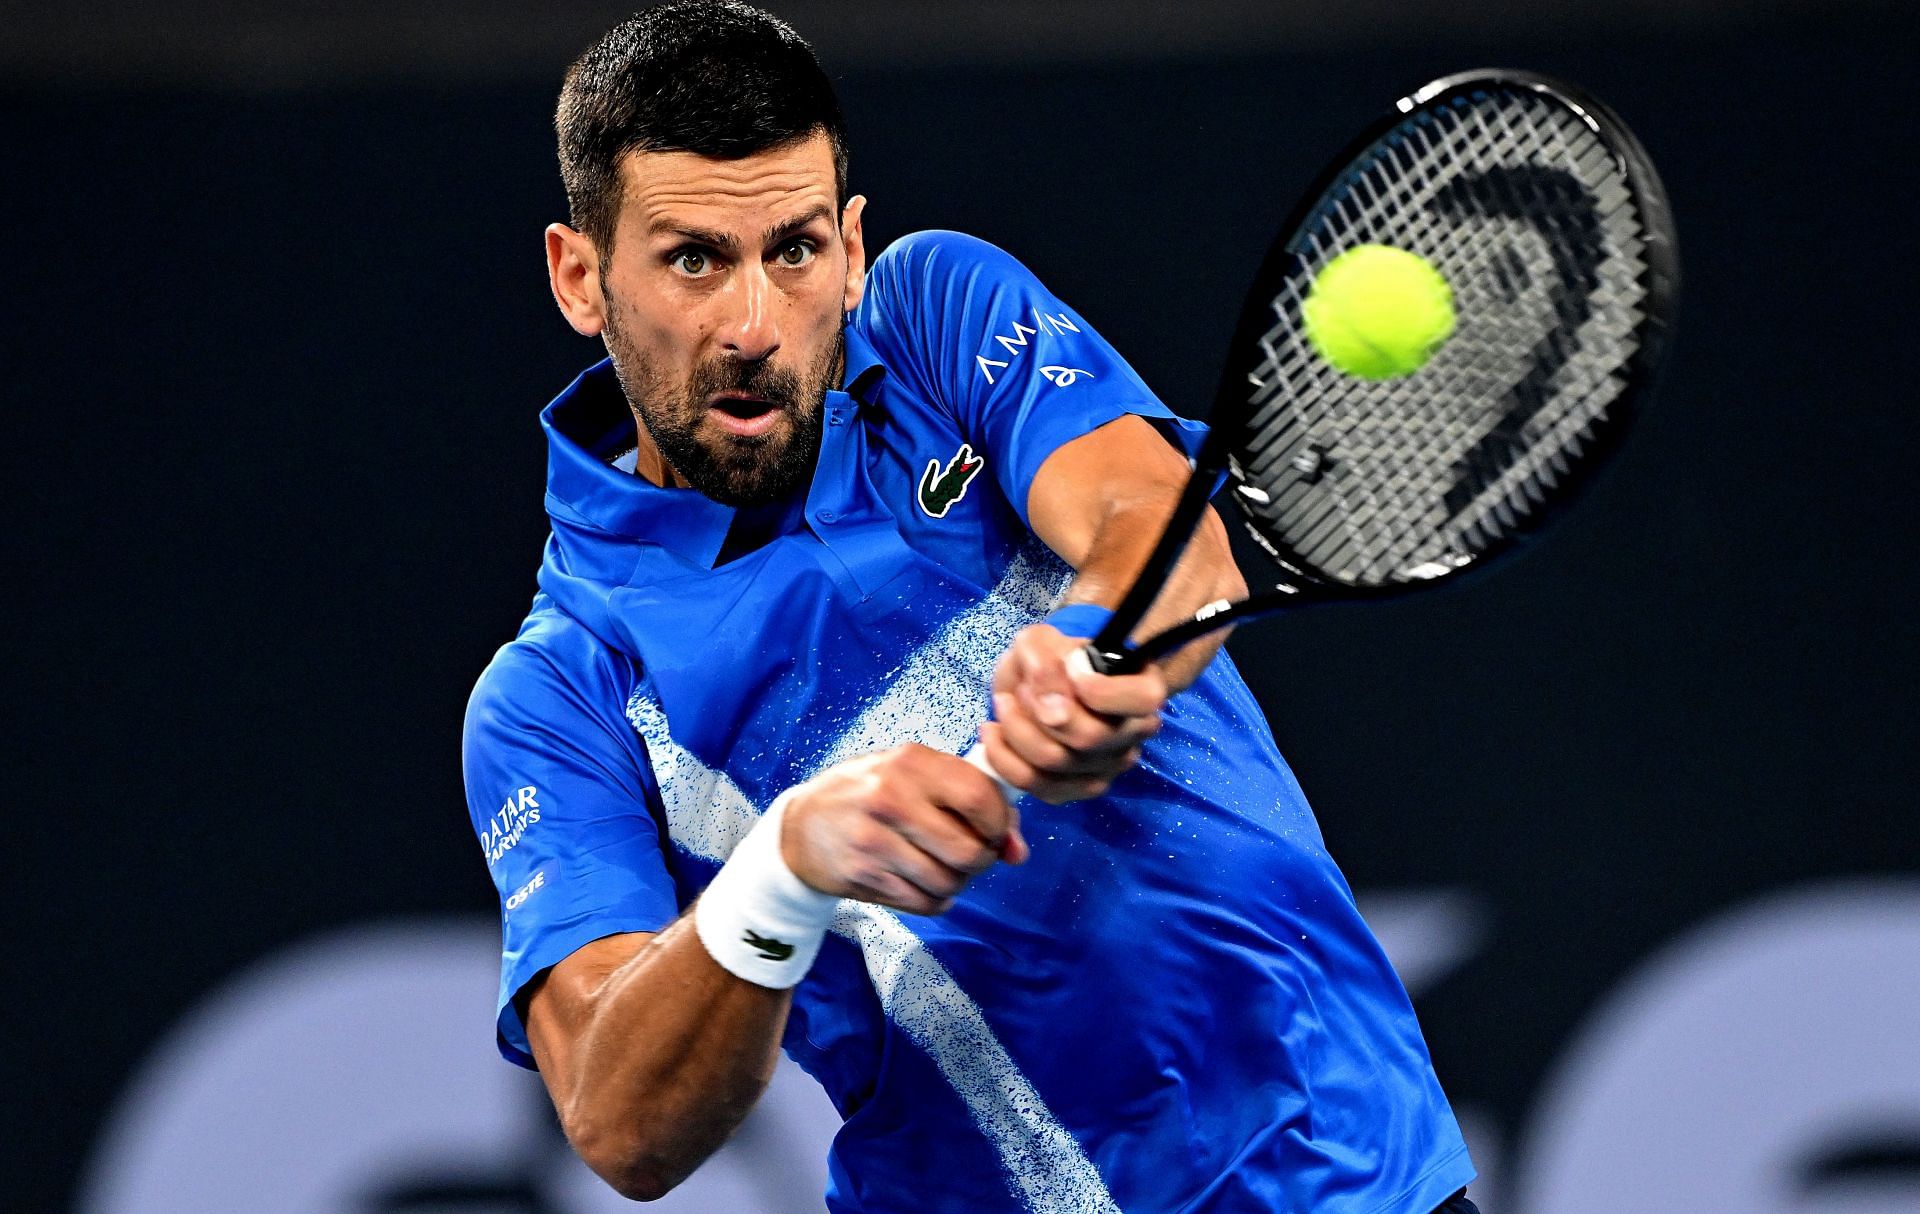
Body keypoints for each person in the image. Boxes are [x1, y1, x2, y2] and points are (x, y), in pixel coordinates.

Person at [463, 3, 1479, 1210]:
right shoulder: (556, 694)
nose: (751, 324)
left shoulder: (936, 317)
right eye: (694, 259)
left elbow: (1156, 523)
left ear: (849, 244)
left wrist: (1103, 646)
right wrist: (780, 870)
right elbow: (621, 1121)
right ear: (581, 276)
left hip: (1352, 1174)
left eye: (793, 251)